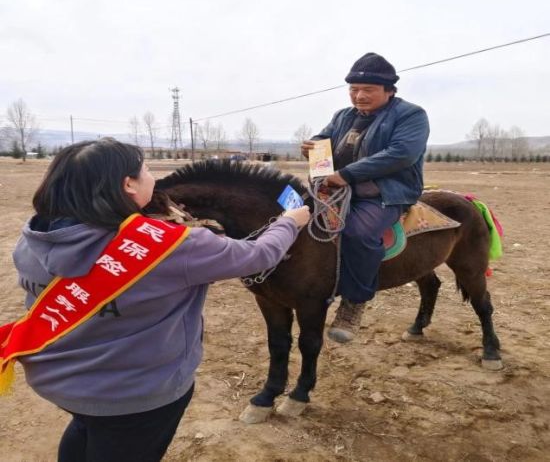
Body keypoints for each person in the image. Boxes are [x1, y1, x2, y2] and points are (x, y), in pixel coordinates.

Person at [7, 138, 310, 462]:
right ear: (128, 185)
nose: (152, 176)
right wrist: (289, 222)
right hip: (136, 398)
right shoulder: (171, 247)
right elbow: (259, 255)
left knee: (86, 428)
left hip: (57, 381)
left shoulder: (33, 238)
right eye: (147, 170)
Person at [301, 52, 429, 343]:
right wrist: (311, 149)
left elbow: (401, 154)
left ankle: (353, 303)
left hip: (387, 191)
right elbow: (323, 141)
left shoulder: (411, 115)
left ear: (389, 90)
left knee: (358, 233)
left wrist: (346, 175)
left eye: (368, 90)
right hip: (338, 189)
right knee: (296, 218)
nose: (359, 96)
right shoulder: (343, 116)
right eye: (354, 90)